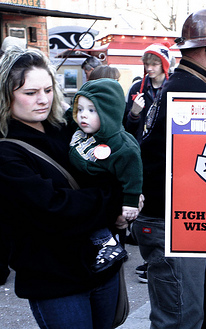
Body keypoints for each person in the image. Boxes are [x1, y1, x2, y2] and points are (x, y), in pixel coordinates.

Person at [125, 8, 206, 328]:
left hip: (171, 222)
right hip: (172, 227)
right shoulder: (194, 93)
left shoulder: (182, 83)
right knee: (180, 320)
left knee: (184, 314)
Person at [0, 47, 129, 328]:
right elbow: (53, 209)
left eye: (47, 89)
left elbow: (111, 171)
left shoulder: (67, 128)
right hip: (55, 280)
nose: (43, 100)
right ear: (6, 95)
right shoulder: (6, 151)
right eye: (30, 93)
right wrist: (113, 203)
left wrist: (109, 196)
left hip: (101, 268)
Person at [69, 78, 143, 272]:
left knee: (99, 225)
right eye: (80, 108)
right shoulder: (82, 133)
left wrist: (130, 202)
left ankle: (109, 245)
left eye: (92, 110)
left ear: (108, 112)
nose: (83, 115)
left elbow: (133, 175)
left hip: (102, 202)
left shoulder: (122, 146)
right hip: (84, 196)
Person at [124, 42, 171, 283]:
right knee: (144, 207)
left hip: (165, 157)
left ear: (164, 64)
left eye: (154, 63)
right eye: (146, 64)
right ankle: (148, 259)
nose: (149, 68)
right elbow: (127, 127)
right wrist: (133, 113)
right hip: (141, 155)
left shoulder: (171, 87)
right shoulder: (137, 88)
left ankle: (162, 258)